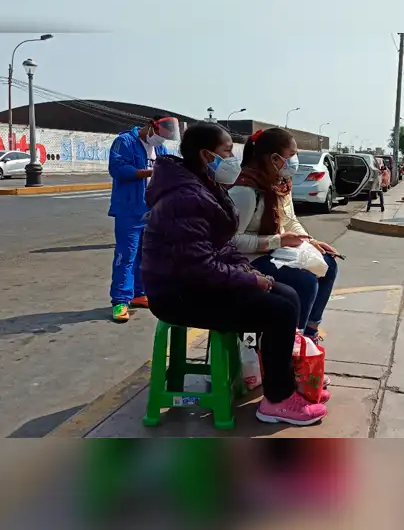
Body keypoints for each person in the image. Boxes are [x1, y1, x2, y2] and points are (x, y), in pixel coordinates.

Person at [141, 123, 329, 425]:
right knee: (279, 310)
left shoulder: (201, 184)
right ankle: (278, 401)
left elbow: (221, 246)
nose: (233, 158)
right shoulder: (184, 197)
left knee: (288, 295)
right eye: (227, 151)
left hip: (196, 283)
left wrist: (247, 272)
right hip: (178, 294)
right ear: (206, 155)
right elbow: (199, 266)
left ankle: (283, 385)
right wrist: (250, 278)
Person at [229, 128, 341, 345]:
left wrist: (310, 241)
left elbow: (289, 220)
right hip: (248, 259)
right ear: (274, 158)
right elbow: (231, 242)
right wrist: (278, 241)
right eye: (292, 154)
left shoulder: (279, 184)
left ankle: (309, 332)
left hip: (274, 251)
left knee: (328, 265)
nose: (295, 160)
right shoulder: (246, 190)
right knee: (305, 282)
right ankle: (291, 344)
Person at [107, 116, 178, 323]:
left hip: (151, 210)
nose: (160, 141)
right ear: (150, 126)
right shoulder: (125, 142)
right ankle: (120, 300)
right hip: (129, 209)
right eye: (159, 136)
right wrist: (147, 172)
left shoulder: (161, 150)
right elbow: (117, 169)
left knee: (146, 255)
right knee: (126, 254)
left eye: (164, 138)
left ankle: (140, 293)